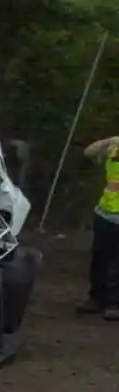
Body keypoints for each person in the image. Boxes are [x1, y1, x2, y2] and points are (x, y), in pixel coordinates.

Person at [80, 133, 119, 319]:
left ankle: (113, 303)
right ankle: (96, 297)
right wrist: (109, 141)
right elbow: (89, 152)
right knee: (100, 258)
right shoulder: (115, 149)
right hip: (105, 213)